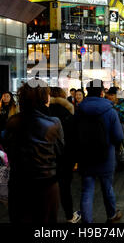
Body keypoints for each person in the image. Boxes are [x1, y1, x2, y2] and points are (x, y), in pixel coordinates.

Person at [3, 81, 64, 223]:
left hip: (19, 183)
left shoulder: (13, 121)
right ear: (43, 97)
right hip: (46, 184)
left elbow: (8, 147)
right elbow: (61, 152)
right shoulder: (54, 123)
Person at [75, 80, 124, 223]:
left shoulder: (79, 110)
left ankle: (87, 222)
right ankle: (111, 215)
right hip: (105, 156)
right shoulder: (110, 111)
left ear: (86, 92)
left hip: (85, 155)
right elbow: (119, 137)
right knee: (107, 188)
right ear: (102, 92)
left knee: (87, 190)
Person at [48, 87, 80, 223]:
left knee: (48, 187)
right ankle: (69, 216)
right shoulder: (68, 112)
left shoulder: (44, 112)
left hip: (47, 156)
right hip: (66, 156)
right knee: (65, 187)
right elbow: (74, 137)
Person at [106, 87, 124, 172]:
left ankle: (120, 163)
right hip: (109, 127)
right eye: (109, 95)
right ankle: (112, 163)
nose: (110, 97)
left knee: (121, 145)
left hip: (120, 126)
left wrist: (117, 108)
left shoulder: (122, 103)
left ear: (116, 95)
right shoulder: (106, 103)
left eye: (112, 95)